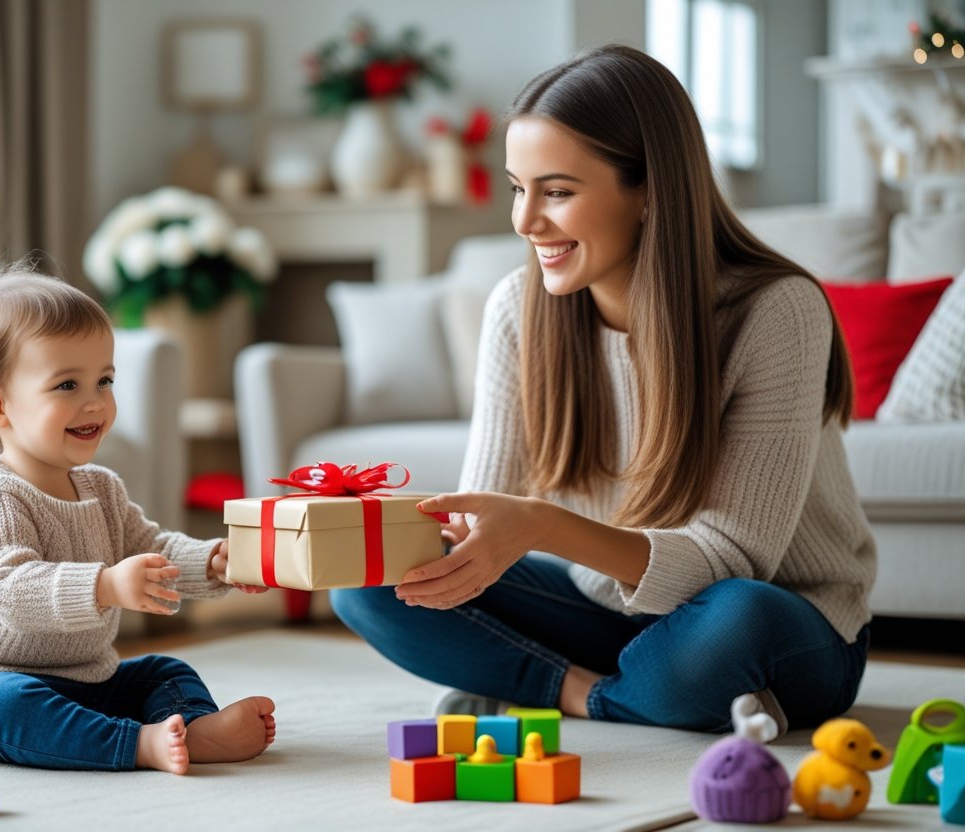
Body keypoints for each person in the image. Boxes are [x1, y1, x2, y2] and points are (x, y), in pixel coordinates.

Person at [330, 44, 875, 737]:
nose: (525, 223)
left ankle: (561, 691)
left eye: (557, 192)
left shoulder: (776, 310)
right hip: (609, 616)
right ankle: (598, 695)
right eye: (517, 188)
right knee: (366, 574)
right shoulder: (516, 309)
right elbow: (475, 528)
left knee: (740, 613)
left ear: (648, 190)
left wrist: (543, 524)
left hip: (779, 623)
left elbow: (733, 562)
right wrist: (355, 534)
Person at [0, 267, 275, 773]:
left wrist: (213, 562)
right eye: (67, 384)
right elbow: (10, 589)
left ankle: (191, 730)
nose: (95, 401)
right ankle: (139, 746)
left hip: (88, 679)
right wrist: (104, 585)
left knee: (164, 672)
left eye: (104, 380)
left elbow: (152, 547)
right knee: (5, 706)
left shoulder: (101, 487)